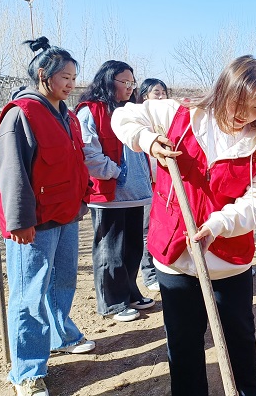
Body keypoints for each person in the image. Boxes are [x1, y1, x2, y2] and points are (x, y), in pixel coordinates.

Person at [111, 55, 256, 396]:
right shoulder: (179, 116)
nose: (245, 114)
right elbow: (124, 116)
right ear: (222, 91)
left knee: (238, 337)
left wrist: (219, 224)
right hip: (174, 256)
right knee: (183, 340)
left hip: (227, 260)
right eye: (239, 103)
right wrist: (148, 141)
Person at [0, 37, 95, 396]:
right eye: (65, 77)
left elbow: (76, 162)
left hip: (66, 215)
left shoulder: (67, 116)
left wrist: (83, 199)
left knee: (62, 283)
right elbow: (11, 174)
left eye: (73, 77)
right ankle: (27, 371)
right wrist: (19, 222)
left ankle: (60, 335)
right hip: (34, 225)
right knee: (29, 294)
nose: (71, 83)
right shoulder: (22, 113)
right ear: (43, 75)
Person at [76, 61, 154, 322]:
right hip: (109, 195)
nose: (131, 88)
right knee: (110, 251)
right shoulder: (91, 111)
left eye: (133, 83)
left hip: (135, 194)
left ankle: (130, 293)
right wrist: (116, 172)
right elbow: (88, 152)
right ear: (109, 81)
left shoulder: (129, 112)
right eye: (125, 82)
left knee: (132, 249)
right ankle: (112, 303)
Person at [137, 78, 170, 292]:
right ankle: (149, 274)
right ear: (144, 97)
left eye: (163, 92)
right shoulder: (138, 121)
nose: (161, 96)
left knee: (164, 226)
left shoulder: (169, 118)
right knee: (146, 229)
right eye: (156, 92)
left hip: (166, 184)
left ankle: (163, 267)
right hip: (147, 184)